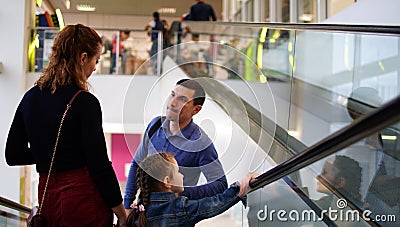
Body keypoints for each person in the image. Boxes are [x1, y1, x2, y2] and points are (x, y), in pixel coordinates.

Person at [5, 24, 126, 226]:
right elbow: (99, 165)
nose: (95, 68)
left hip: (47, 201)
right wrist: (121, 213)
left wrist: (50, 152)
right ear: (82, 57)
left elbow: (13, 154)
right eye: (95, 60)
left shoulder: (30, 97)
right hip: (82, 201)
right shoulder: (84, 102)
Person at [124, 78, 228, 212]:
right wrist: (127, 205)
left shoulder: (201, 143)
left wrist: (181, 193)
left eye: (182, 100)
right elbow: (137, 164)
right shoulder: (155, 125)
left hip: (176, 217)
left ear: (196, 110)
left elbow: (220, 184)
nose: (172, 103)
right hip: (145, 214)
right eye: (173, 95)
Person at [126, 152, 256, 226]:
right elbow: (214, 204)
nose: (181, 175)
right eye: (177, 171)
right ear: (167, 181)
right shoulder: (179, 207)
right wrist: (240, 187)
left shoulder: (137, 214)